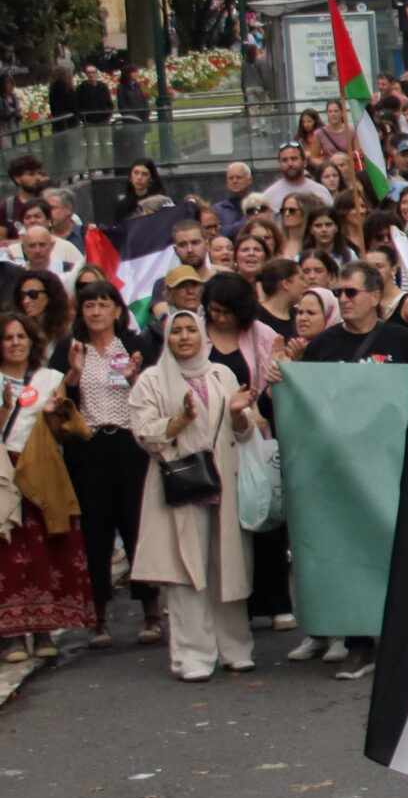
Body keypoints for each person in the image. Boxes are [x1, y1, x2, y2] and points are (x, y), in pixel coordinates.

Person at [128, 310, 261, 682]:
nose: (184, 337)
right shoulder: (152, 381)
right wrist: (181, 420)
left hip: (223, 482)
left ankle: (235, 648)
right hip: (180, 483)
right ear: (167, 338)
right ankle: (192, 656)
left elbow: (244, 430)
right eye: (177, 331)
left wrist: (239, 413)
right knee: (187, 571)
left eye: (191, 330)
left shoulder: (222, 374)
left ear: (203, 337)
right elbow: (144, 433)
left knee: (227, 566)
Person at [55, 281, 153, 648]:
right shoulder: (70, 348)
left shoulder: (135, 345)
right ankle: (97, 619)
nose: (96, 311)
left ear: (117, 310)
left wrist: (134, 377)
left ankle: (152, 612)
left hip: (130, 444)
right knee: (94, 533)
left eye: (103, 304)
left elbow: (155, 392)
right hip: (89, 446)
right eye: (89, 305)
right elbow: (56, 400)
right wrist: (73, 374)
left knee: (137, 526)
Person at [0, 310, 89, 662]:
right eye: (8, 337)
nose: (15, 343)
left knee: (44, 551)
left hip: (41, 468)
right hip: (4, 472)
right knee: (8, 553)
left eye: (20, 336)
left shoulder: (49, 378)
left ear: (32, 340)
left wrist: (55, 409)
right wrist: (5, 410)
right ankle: (12, 636)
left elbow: (62, 431)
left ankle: (44, 630)